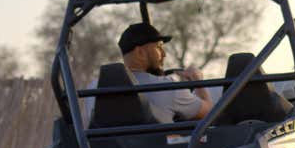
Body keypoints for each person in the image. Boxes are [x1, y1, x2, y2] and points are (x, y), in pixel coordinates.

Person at [84, 23, 212, 124]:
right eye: (159, 47)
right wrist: (198, 81)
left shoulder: (93, 89)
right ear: (140, 53)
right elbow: (210, 114)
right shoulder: (168, 87)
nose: (164, 54)